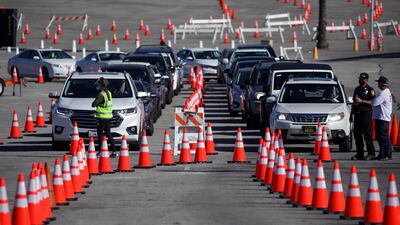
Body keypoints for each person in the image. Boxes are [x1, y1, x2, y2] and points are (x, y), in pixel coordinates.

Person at [351, 73, 376, 160]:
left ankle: (371, 153)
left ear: (366, 80)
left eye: (362, 79)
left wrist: (362, 101)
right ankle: (359, 154)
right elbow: (354, 101)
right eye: (360, 79)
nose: (360, 80)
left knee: (367, 135)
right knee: (357, 135)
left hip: (366, 115)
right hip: (357, 114)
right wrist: (352, 113)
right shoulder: (357, 89)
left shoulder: (370, 90)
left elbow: (373, 102)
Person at [92, 77, 117, 158]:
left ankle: (100, 152)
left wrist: (95, 101)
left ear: (101, 85)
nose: (97, 86)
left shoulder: (101, 94)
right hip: (108, 117)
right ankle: (114, 151)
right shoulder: (109, 93)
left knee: (99, 135)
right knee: (108, 134)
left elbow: (94, 104)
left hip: (101, 117)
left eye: (98, 85)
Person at [371, 76, 393, 160]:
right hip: (381, 118)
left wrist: (373, 97)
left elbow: (374, 103)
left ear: (381, 83)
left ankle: (387, 154)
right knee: (380, 137)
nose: (378, 84)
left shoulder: (383, 93)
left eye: (378, 82)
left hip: (382, 118)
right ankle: (382, 154)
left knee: (384, 137)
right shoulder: (385, 92)